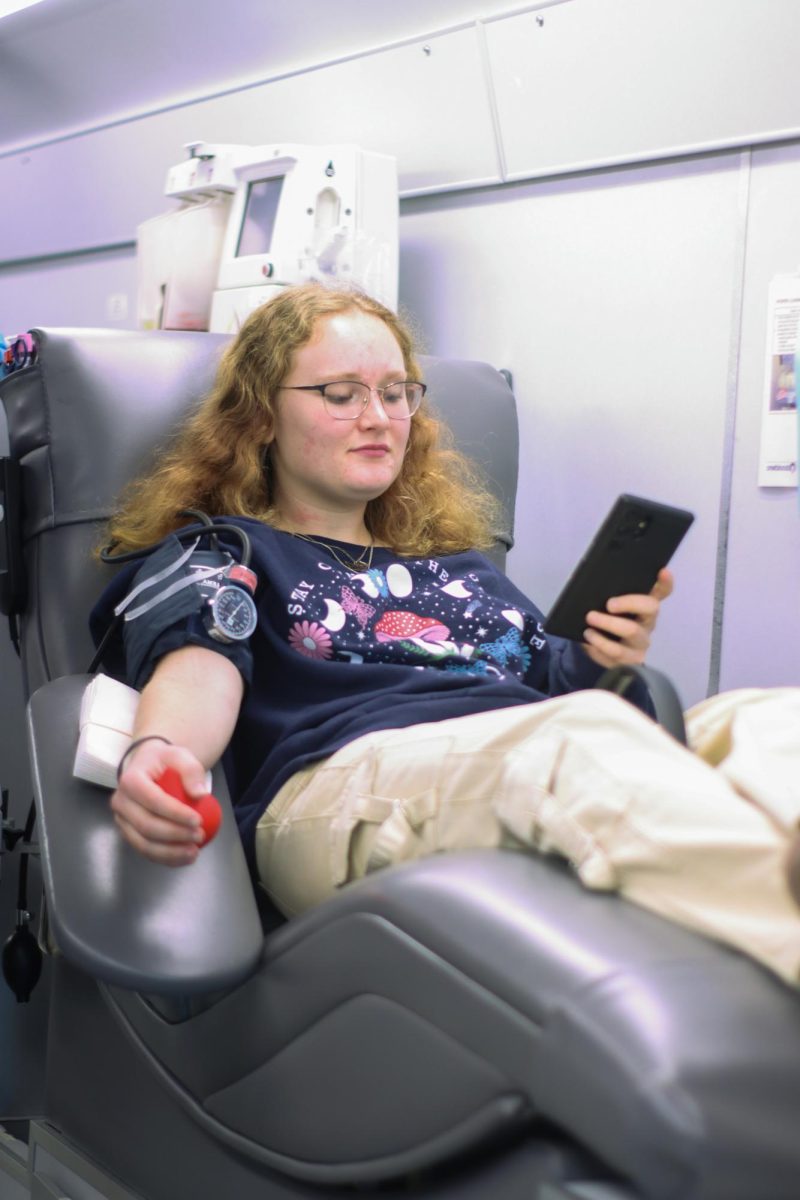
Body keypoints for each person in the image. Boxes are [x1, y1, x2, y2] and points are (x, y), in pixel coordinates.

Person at [92, 281, 800, 987]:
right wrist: (163, 752)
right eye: (342, 394)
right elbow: (195, 668)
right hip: (337, 786)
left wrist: (604, 655)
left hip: (518, 756)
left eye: (397, 393)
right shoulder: (226, 550)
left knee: (772, 719)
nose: (379, 417)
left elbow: (557, 685)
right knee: (573, 744)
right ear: (262, 417)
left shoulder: (461, 570)